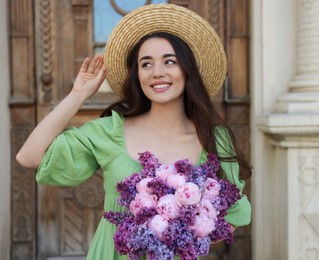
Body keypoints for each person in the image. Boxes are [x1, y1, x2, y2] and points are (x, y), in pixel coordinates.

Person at [16, 3, 251, 260]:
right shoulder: (111, 131)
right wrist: (78, 95)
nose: (157, 73)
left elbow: (233, 215)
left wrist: (177, 236)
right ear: (137, 74)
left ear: (187, 70)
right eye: (146, 64)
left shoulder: (214, 139)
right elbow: (28, 156)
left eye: (169, 61)